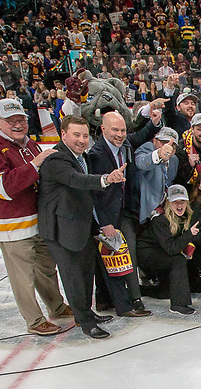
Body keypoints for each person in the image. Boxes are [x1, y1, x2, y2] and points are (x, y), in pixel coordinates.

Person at [0, 99, 72, 336]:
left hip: (39, 221)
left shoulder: (29, 145)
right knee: (23, 277)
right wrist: (35, 164)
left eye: (21, 119)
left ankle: (56, 307)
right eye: (11, 121)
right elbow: (2, 187)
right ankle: (34, 320)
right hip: (12, 226)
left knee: (47, 268)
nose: (18, 125)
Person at [38, 115, 128, 339]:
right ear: (63, 135)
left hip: (81, 227)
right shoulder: (56, 159)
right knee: (74, 277)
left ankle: (85, 313)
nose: (81, 140)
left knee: (86, 274)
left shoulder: (82, 157)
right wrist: (106, 179)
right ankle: (85, 321)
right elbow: (76, 180)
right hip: (62, 230)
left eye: (85, 135)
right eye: (76, 135)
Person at [89, 109, 162, 313]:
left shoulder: (126, 144)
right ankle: (131, 301)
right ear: (103, 129)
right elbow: (95, 193)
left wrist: (154, 123)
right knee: (120, 256)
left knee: (119, 255)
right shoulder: (96, 154)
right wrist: (104, 222)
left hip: (127, 210)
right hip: (108, 215)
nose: (120, 134)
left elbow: (139, 135)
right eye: (115, 130)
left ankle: (107, 300)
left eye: (122, 130)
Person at [137, 183, 201, 314]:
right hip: (149, 252)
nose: (179, 206)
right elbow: (171, 248)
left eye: (182, 202)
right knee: (178, 261)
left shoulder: (189, 215)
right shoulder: (160, 221)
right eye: (175, 203)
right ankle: (178, 305)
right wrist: (189, 234)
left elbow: (192, 238)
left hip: (174, 251)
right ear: (168, 203)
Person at [135, 127, 179, 224]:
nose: (167, 148)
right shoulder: (147, 148)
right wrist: (159, 154)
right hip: (141, 210)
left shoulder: (174, 160)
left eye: (172, 145)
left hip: (163, 210)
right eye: (163, 143)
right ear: (155, 140)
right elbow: (141, 162)